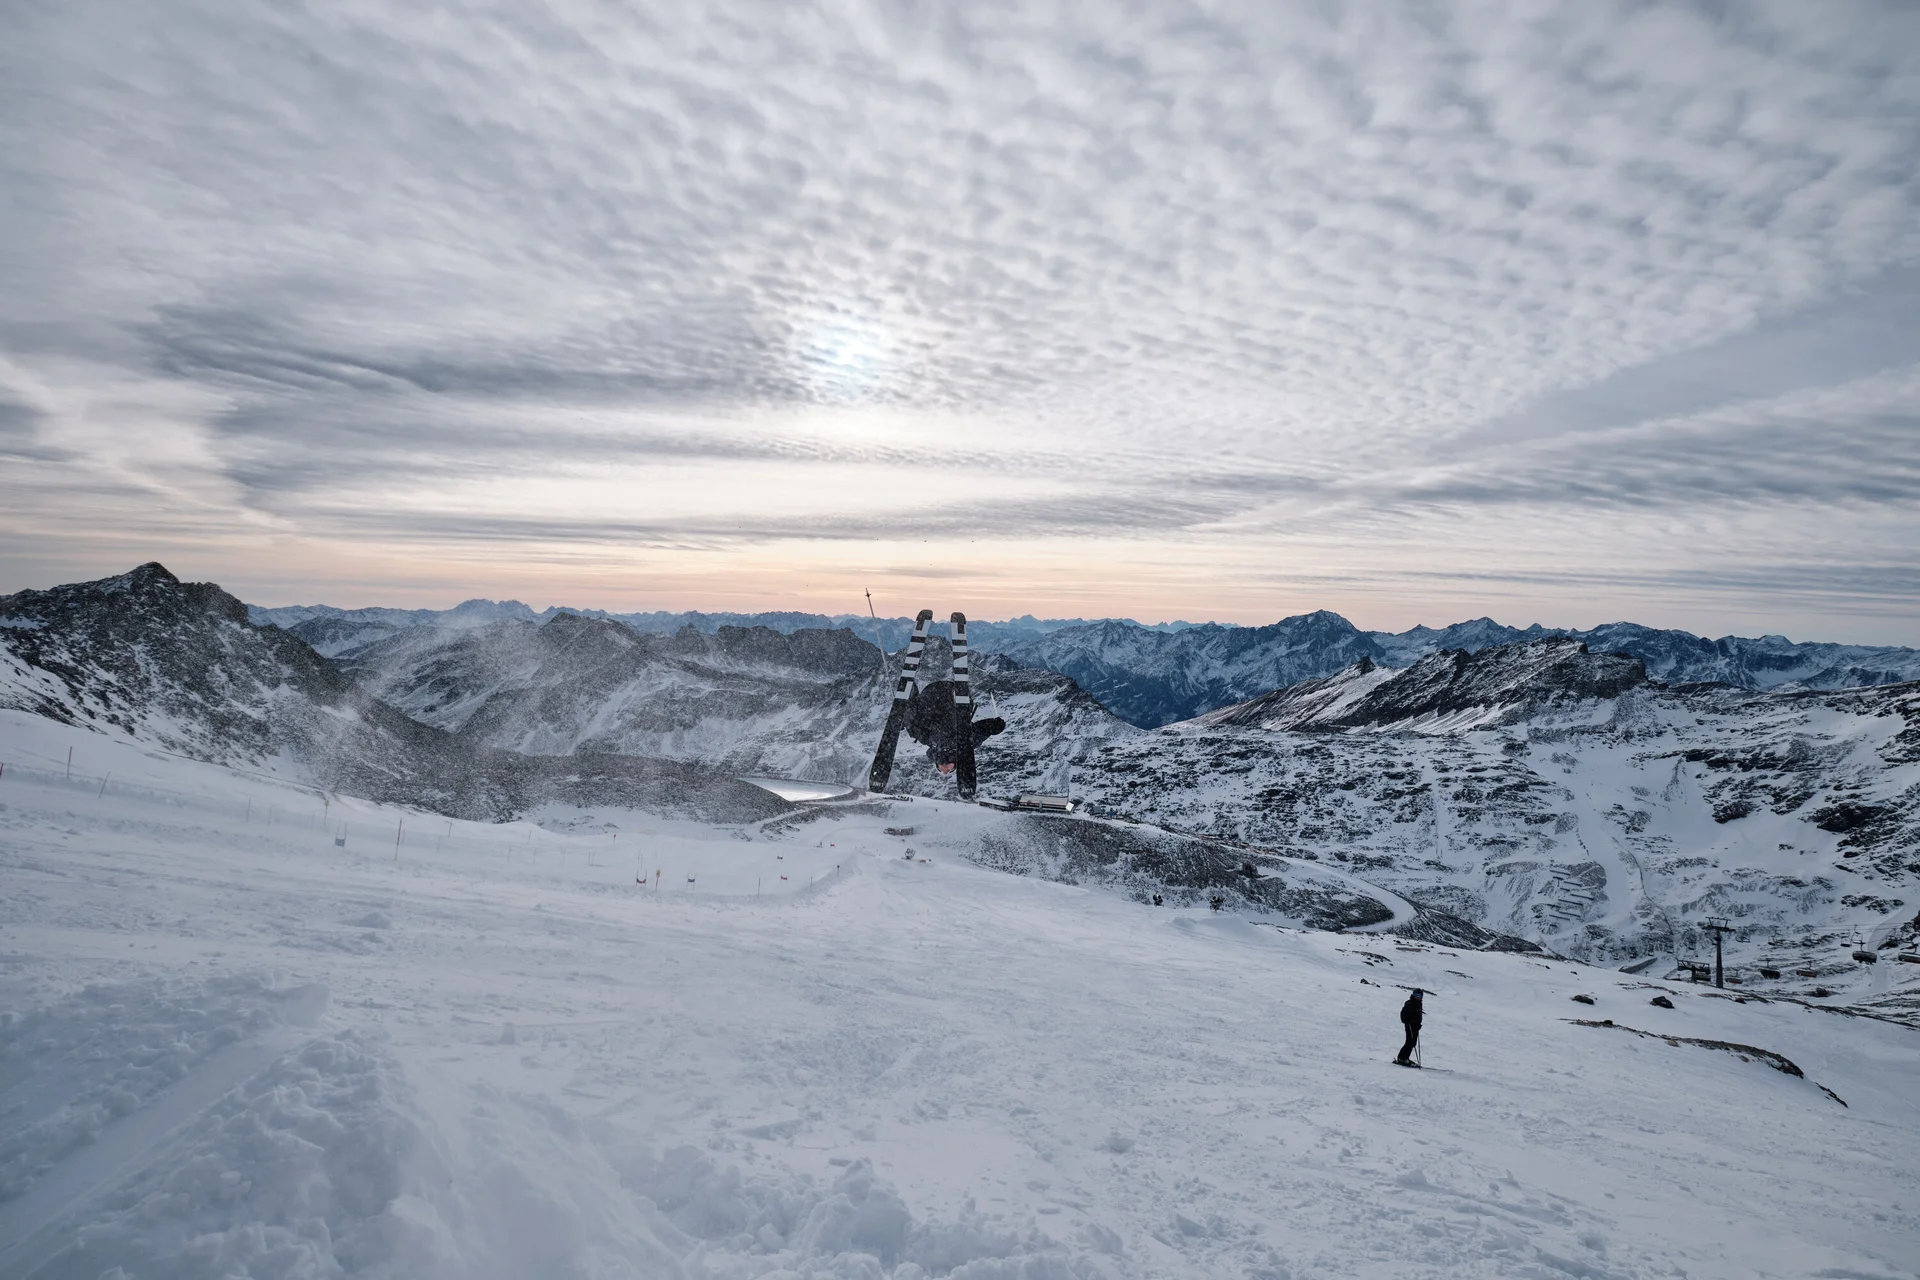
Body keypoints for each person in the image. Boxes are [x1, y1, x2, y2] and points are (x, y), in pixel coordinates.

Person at [904, 679, 1006, 775]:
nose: (945, 771)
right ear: (956, 764)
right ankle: (912, 700)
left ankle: (910, 695)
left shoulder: (927, 740)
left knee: (915, 726)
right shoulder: (966, 744)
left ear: (937, 764)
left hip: (931, 700)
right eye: (950, 769)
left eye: (940, 769)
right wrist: (995, 727)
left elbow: (913, 726)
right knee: (957, 717)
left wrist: (903, 716)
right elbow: (982, 730)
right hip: (949, 698)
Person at [1395, 989, 1424, 1066]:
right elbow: (1403, 1015)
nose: (1418, 997)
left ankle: (1405, 1057)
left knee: (1413, 1042)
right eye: (1416, 996)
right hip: (1410, 1026)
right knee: (1409, 1042)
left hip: (1415, 1026)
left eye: (1420, 996)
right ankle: (1402, 1058)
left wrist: (1418, 1024)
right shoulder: (1410, 1003)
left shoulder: (1419, 1004)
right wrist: (1408, 1021)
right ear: (1413, 995)